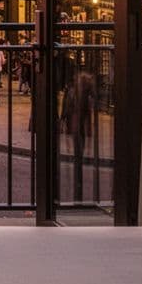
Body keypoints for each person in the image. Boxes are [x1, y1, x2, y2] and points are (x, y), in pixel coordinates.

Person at [61, 68, 97, 202]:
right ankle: (78, 191)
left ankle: (78, 191)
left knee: (78, 159)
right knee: (78, 158)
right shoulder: (79, 95)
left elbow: (67, 109)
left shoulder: (73, 92)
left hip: (76, 127)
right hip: (77, 127)